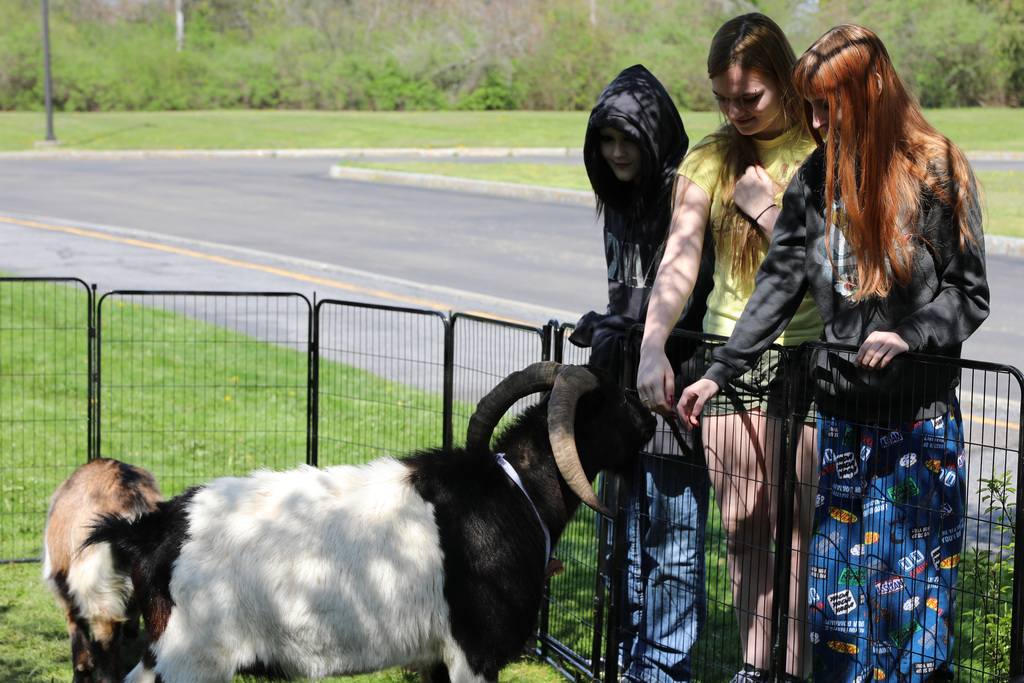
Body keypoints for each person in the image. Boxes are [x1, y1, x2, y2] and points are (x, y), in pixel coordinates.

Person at [677, 24, 990, 683]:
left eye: (828, 106)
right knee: (837, 617)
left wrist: (909, 332)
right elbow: (779, 284)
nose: (815, 123)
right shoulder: (817, 176)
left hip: (915, 435)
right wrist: (719, 371)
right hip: (842, 427)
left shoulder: (937, 169)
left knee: (908, 618)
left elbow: (969, 294)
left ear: (870, 93)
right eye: (809, 107)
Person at [635, 13, 823, 683]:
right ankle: (754, 665)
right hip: (727, 361)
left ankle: (792, 669)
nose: (735, 111)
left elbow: (832, 266)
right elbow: (679, 261)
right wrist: (653, 342)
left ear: (786, 79)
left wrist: (766, 210)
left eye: (751, 96)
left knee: (797, 533)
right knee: (745, 526)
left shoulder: (819, 150)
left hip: (807, 360)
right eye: (722, 97)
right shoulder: (708, 158)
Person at [571, 64, 714, 682]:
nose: (618, 150)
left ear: (655, 136)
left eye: (629, 138)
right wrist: (603, 323)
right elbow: (629, 294)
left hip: (671, 390)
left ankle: (663, 669)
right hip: (618, 393)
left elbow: (690, 291)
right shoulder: (617, 200)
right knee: (623, 542)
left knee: (673, 543)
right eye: (606, 139)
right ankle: (630, 662)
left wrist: (645, 341)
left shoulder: (684, 195)